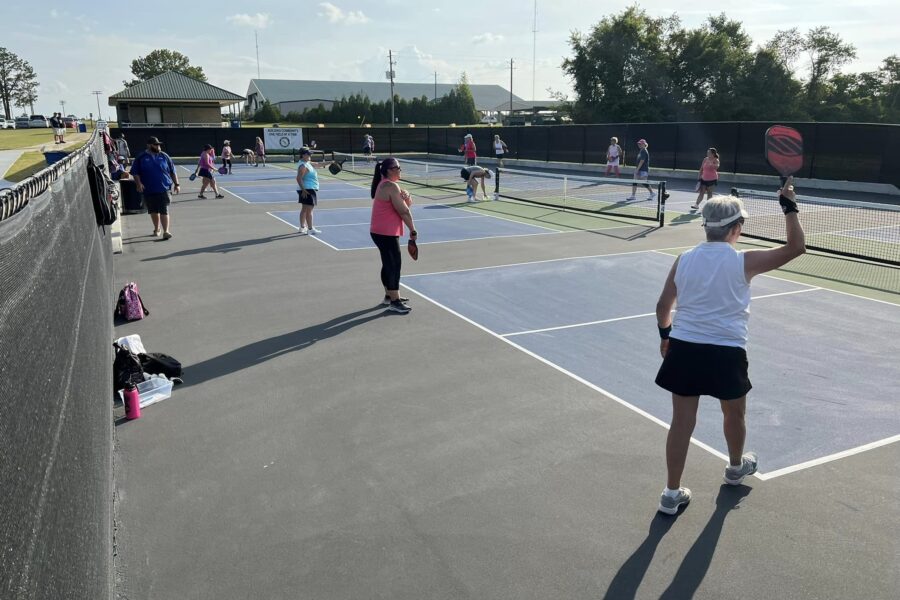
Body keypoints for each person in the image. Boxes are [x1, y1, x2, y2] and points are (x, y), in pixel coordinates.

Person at [654, 178, 806, 515]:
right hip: (726, 352)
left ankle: (671, 493)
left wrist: (665, 336)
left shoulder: (683, 259)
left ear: (706, 226)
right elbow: (796, 247)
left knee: (682, 421)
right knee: (734, 414)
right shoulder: (743, 261)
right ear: (736, 228)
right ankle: (736, 468)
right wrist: (789, 205)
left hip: (684, 347)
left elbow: (663, 307)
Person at [370, 157, 417, 314]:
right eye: (398, 168)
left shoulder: (385, 184)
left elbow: (404, 206)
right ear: (390, 170)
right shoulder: (391, 186)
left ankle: (389, 296)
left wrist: (407, 197)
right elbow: (404, 212)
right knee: (394, 264)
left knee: (388, 263)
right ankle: (395, 302)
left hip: (381, 232)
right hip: (385, 233)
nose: (400, 170)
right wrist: (413, 230)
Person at [130, 136, 181, 240]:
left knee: (164, 209)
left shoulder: (164, 156)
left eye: (159, 145)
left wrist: (177, 184)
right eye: (156, 145)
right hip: (149, 189)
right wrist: (138, 184)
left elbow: (173, 171)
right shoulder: (141, 157)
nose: (158, 146)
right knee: (153, 211)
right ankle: (157, 228)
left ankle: (166, 231)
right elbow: (135, 172)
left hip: (164, 188)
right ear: (149, 145)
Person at [296, 147, 321, 235]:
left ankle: (302, 227)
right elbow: (298, 178)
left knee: (304, 209)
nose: (310, 155)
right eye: (308, 154)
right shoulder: (303, 166)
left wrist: (331, 162)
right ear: (303, 155)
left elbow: (318, 164)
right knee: (309, 210)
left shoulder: (307, 163)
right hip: (308, 189)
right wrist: (303, 190)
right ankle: (310, 229)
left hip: (307, 188)